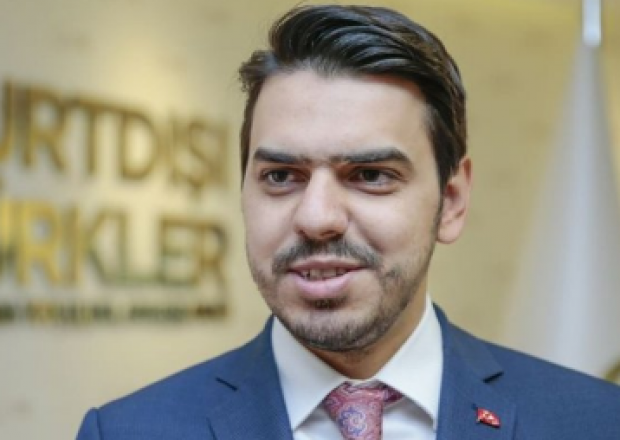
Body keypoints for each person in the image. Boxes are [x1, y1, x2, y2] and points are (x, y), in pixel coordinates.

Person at [76, 5, 620, 440]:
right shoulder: (127, 432)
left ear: (451, 201)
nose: (316, 218)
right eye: (281, 176)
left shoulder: (595, 423)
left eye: (370, 175)